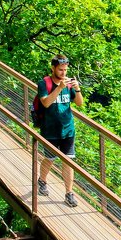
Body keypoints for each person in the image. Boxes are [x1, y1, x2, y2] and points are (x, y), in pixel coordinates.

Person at [35, 54, 84, 207]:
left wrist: (77, 88)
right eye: (61, 70)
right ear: (53, 68)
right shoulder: (44, 83)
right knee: (50, 159)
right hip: (50, 130)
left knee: (68, 160)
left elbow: (79, 103)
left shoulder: (68, 84)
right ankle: (42, 180)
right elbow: (46, 103)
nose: (64, 73)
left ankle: (69, 193)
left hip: (68, 129)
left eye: (65, 70)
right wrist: (59, 88)